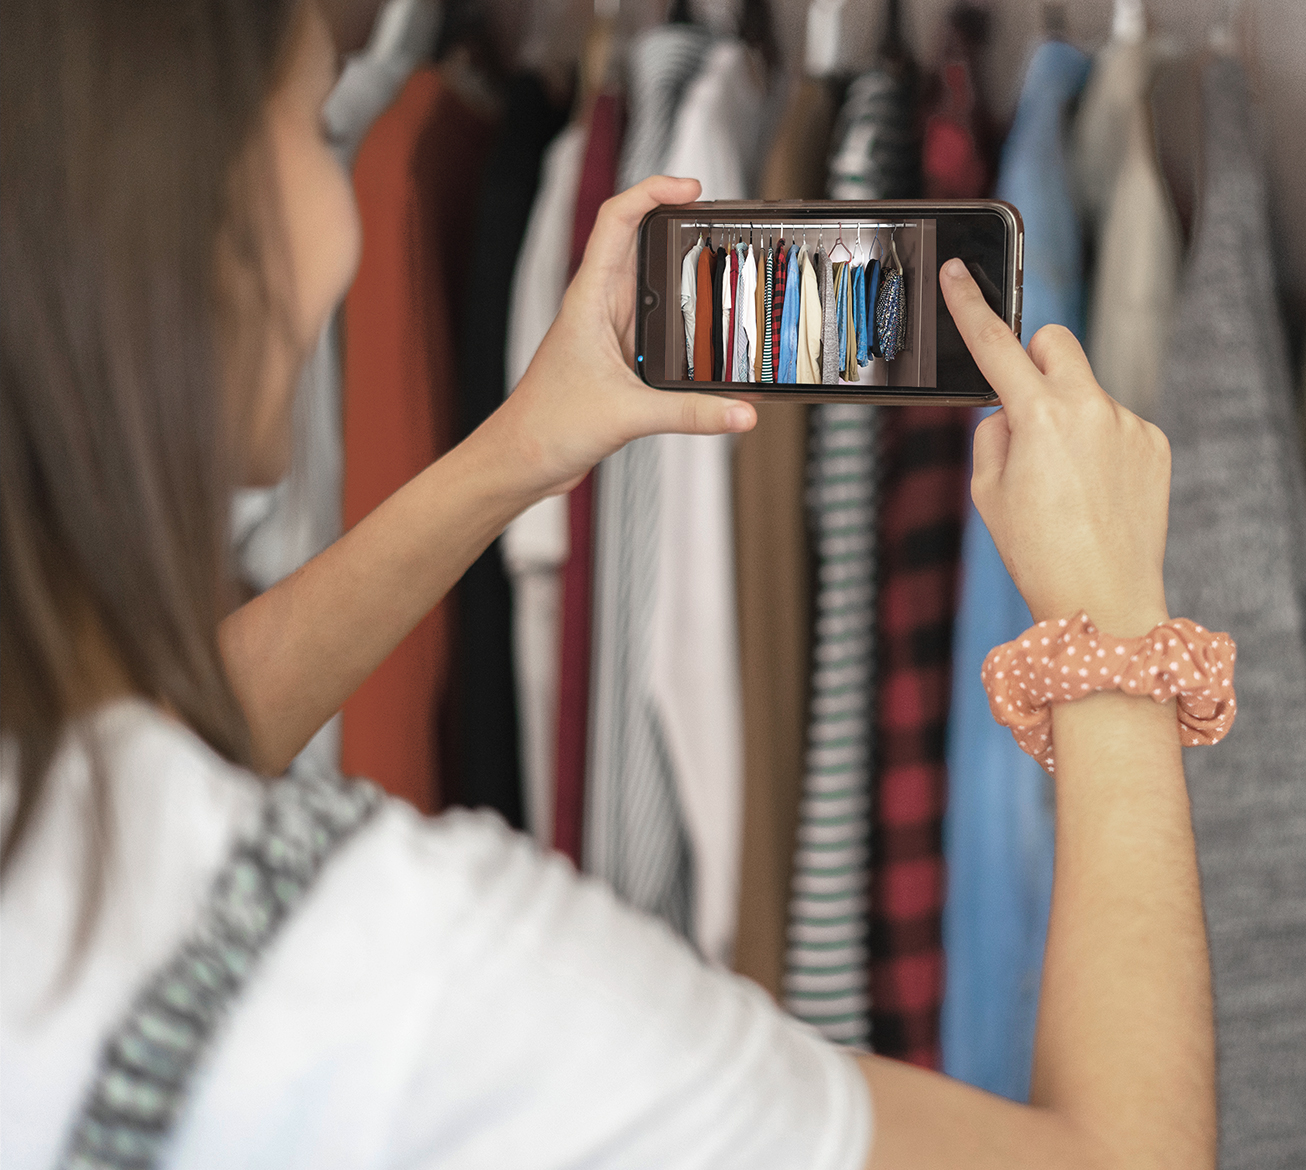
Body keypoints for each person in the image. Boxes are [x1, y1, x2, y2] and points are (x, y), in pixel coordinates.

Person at [0, 3, 1215, 1167]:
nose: (344, 222)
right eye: (317, 134)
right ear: (206, 238)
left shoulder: (50, 806)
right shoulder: (416, 978)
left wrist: (517, 450)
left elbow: (181, 747)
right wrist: (1114, 635)